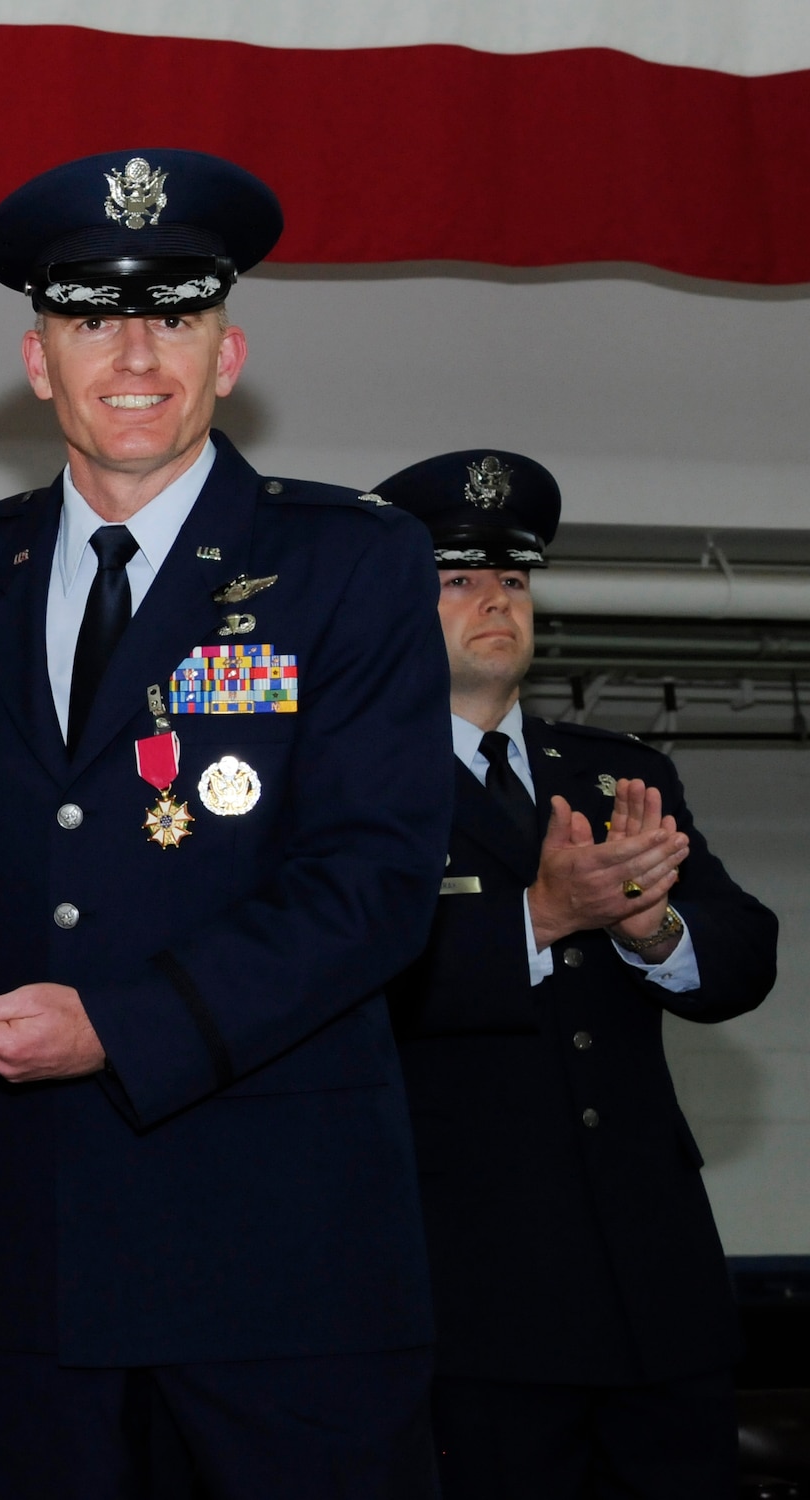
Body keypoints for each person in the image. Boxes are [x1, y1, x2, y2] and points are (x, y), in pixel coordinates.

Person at [0, 149, 454, 1498]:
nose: (134, 351)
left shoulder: (347, 563)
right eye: (91, 317)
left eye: (172, 313)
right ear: (37, 359)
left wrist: (116, 1026)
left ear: (227, 350)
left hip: (283, 1262)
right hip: (43, 1252)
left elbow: (371, 888)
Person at [377, 449, 777, 1499]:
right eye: (456, 579)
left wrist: (653, 933)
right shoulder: (346, 790)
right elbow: (345, 987)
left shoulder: (619, 773)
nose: (493, 600)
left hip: (657, 1291)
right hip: (474, 1296)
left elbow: (742, 953)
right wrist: (542, 916)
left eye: (510, 578)